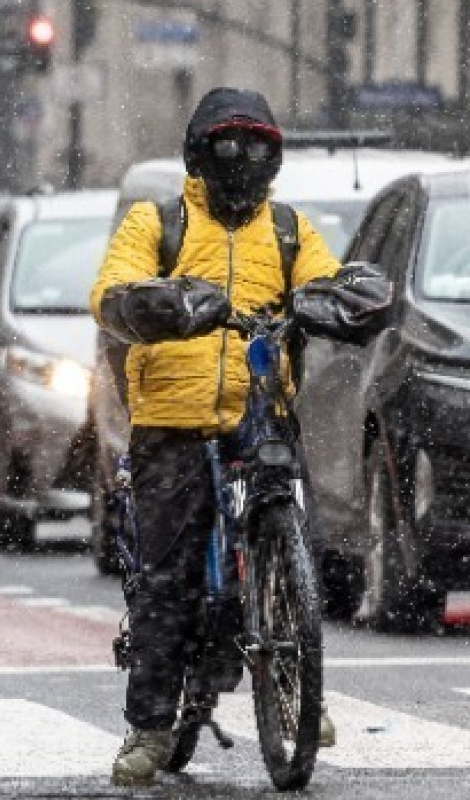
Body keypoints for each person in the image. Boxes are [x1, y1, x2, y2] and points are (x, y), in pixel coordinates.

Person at [91, 87, 390, 787]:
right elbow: (112, 293)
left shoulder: (288, 229)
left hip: (260, 415)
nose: (244, 162)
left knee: (298, 540)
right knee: (167, 582)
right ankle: (150, 726)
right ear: (199, 154)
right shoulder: (155, 221)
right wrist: (164, 301)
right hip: (172, 425)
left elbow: (324, 280)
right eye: (229, 147)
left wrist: (348, 295)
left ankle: (296, 688)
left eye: (258, 149)